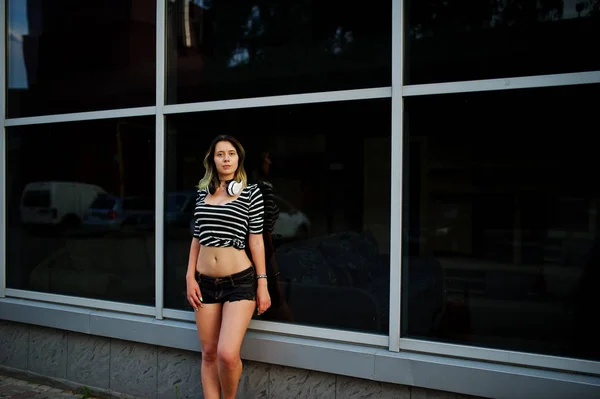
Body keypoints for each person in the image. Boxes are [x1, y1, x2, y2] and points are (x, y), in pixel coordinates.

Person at [185, 135, 271, 399]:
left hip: (240, 283)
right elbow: (197, 237)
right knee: (209, 354)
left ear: (239, 158)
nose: (226, 159)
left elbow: (256, 241)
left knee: (226, 354)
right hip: (205, 283)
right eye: (220, 154)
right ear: (213, 159)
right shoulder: (203, 192)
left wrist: (262, 282)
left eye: (231, 153)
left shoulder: (251, 193)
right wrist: (190, 276)